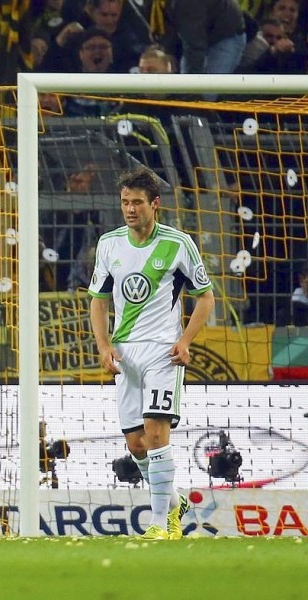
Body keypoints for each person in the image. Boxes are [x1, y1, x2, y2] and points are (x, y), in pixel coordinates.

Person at [88, 166, 215, 540]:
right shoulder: (109, 244)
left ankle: (161, 523)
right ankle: (175, 502)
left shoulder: (178, 244)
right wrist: (103, 346)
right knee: (136, 444)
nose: (130, 209)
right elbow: (96, 301)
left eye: (137, 202)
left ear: (154, 204)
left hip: (163, 352)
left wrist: (186, 340)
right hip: (125, 355)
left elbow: (205, 297)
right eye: (125, 202)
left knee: (156, 434)